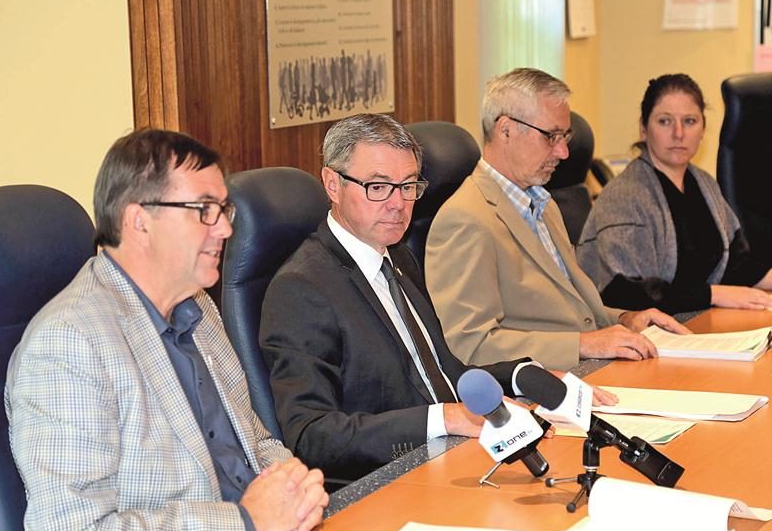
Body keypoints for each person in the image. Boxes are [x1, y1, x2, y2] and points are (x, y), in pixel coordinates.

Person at [5, 129, 328, 531]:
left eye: (224, 209)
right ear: (140, 221)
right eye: (205, 210)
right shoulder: (68, 343)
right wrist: (247, 522)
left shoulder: (198, 307)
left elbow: (253, 439)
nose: (227, 227)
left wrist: (294, 487)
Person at [260, 113, 539, 483]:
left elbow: (441, 373)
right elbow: (313, 436)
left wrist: (524, 377)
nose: (398, 204)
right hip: (387, 482)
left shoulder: (398, 255)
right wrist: (443, 419)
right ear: (332, 183)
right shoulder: (301, 288)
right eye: (378, 187)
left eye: (408, 186)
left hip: (453, 458)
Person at [425, 68, 688, 372]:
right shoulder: (466, 219)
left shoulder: (541, 202)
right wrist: (584, 344)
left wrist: (623, 319)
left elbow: (571, 311)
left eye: (565, 137)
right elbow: (471, 345)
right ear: (506, 130)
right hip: (541, 385)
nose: (563, 152)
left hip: (586, 369)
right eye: (551, 137)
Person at [577, 73, 772, 314]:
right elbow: (626, 293)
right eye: (664, 121)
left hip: (697, 321)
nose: (679, 133)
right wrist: (713, 294)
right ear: (643, 129)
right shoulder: (625, 197)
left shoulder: (704, 184)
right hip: (644, 333)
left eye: (689, 121)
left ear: (703, 129)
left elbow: (736, 263)